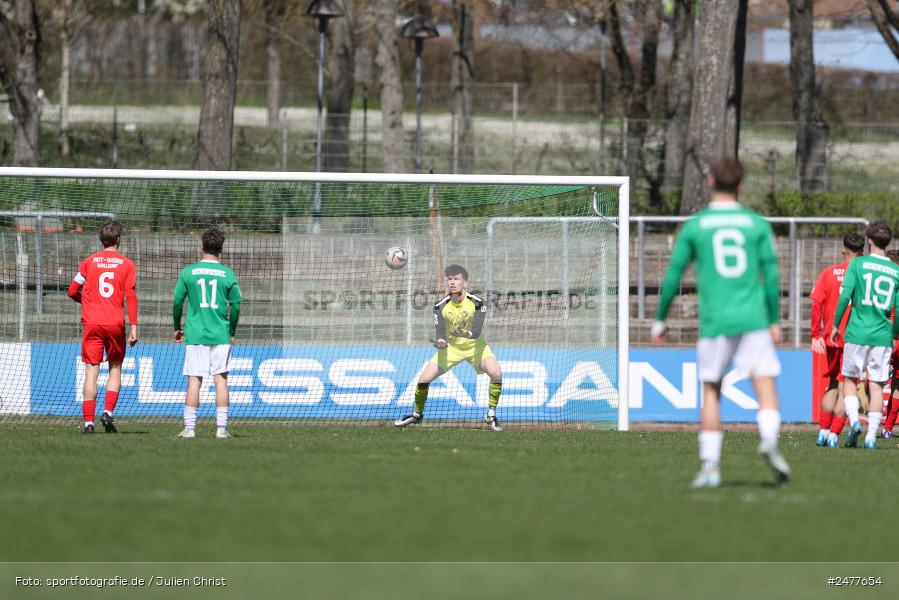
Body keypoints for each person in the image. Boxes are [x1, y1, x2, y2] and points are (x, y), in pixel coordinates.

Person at [652, 157, 790, 488]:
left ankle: (711, 467)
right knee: (765, 387)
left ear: (710, 181)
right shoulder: (757, 224)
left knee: (712, 391)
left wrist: (660, 319)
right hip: (753, 318)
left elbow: (673, 276)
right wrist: (774, 319)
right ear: (741, 185)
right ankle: (768, 438)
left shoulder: (696, 226)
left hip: (715, 321)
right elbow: (771, 277)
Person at [394, 264, 503, 431]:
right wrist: (441, 342)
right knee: (423, 381)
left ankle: (491, 415)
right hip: (451, 349)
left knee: (496, 373)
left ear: (465, 283)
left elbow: (475, 331)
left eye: (456, 279)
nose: (452, 282)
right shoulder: (440, 306)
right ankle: (416, 415)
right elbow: (440, 333)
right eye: (450, 279)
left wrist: (463, 334)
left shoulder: (477, 303)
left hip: (476, 348)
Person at [830, 221, 899, 449]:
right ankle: (871, 435)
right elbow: (897, 310)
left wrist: (835, 325)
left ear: (868, 241)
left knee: (850, 380)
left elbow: (844, 297)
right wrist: (893, 333)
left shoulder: (858, 264)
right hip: (882, 335)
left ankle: (853, 422)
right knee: (877, 386)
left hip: (857, 332)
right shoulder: (896, 271)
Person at [68, 220, 139, 434]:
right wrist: (134, 326)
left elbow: (72, 291)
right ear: (118, 240)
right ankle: (107, 412)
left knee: (91, 371)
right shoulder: (127, 264)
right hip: (115, 323)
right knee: (115, 367)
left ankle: (88, 423)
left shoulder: (88, 262)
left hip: (92, 323)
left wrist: (89, 302)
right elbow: (131, 296)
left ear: (101, 240)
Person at [173, 228, 242, 439]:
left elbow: (177, 301)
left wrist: (177, 327)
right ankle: (221, 430)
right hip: (220, 334)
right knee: (220, 380)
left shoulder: (189, 271)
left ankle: (190, 429)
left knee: (195, 381)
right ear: (221, 249)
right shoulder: (228, 274)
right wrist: (231, 330)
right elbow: (236, 305)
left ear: (201, 246)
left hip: (195, 334)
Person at [809, 232, 865, 447]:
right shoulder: (863, 277)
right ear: (862, 253)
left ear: (843, 250)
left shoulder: (828, 273)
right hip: (854, 338)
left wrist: (815, 334)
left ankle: (822, 432)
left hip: (832, 338)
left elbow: (816, 304)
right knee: (847, 387)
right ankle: (834, 435)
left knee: (832, 383)